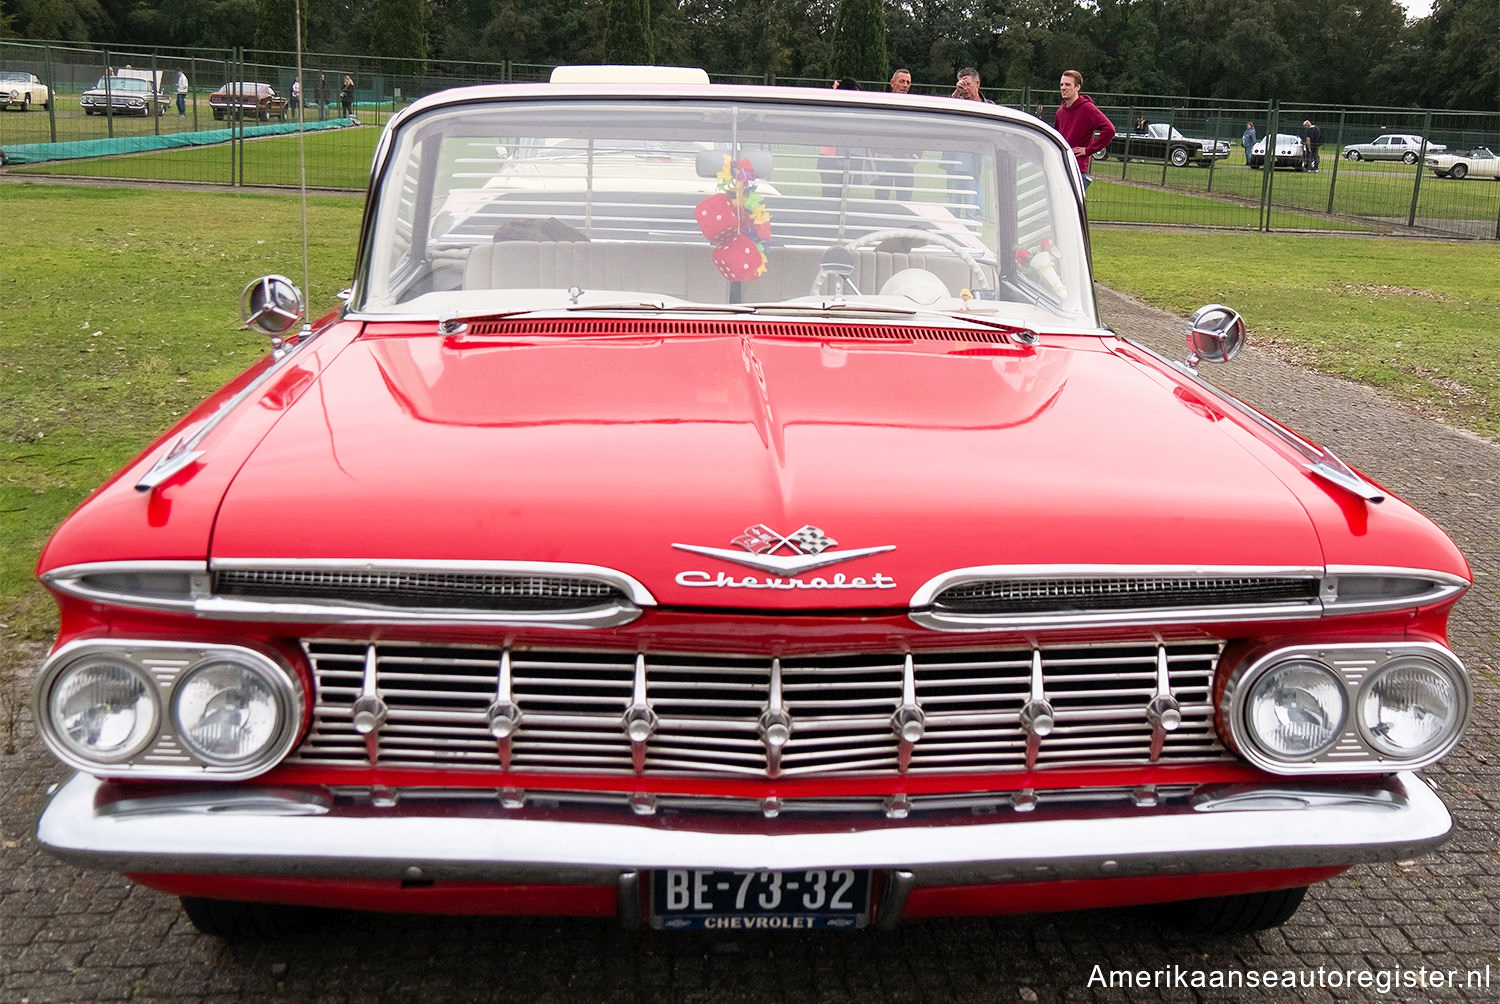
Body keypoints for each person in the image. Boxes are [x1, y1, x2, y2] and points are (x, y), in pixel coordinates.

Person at [1053, 69, 1115, 191]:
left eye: (1068, 84)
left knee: (1072, 209)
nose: (1063, 88)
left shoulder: (1087, 108)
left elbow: (1109, 129)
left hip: (1077, 170)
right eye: (1062, 84)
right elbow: (1056, 139)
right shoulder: (1060, 112)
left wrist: (1089, 150)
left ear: (1077, 87)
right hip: (1061, 168)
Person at [944, 68, 991, 216]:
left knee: (972, 211)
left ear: (977, 84)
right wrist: (956, 93)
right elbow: (944, 112)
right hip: (954, 167)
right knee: (953, 210)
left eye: (968, 84)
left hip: (974, 167)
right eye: (961, 84)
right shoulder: (957, 104)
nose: (965, 89)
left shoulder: (989, 107)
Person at [873, 68, 917, 202]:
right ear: (892, 82)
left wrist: (916, 156)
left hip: (905, 162)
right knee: (881, 199)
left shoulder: (915, 107)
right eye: (902, 81)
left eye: (908, 83)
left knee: (905, 201)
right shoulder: (882, 105)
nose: (905, 85)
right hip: (884, 160)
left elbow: (920, 133)